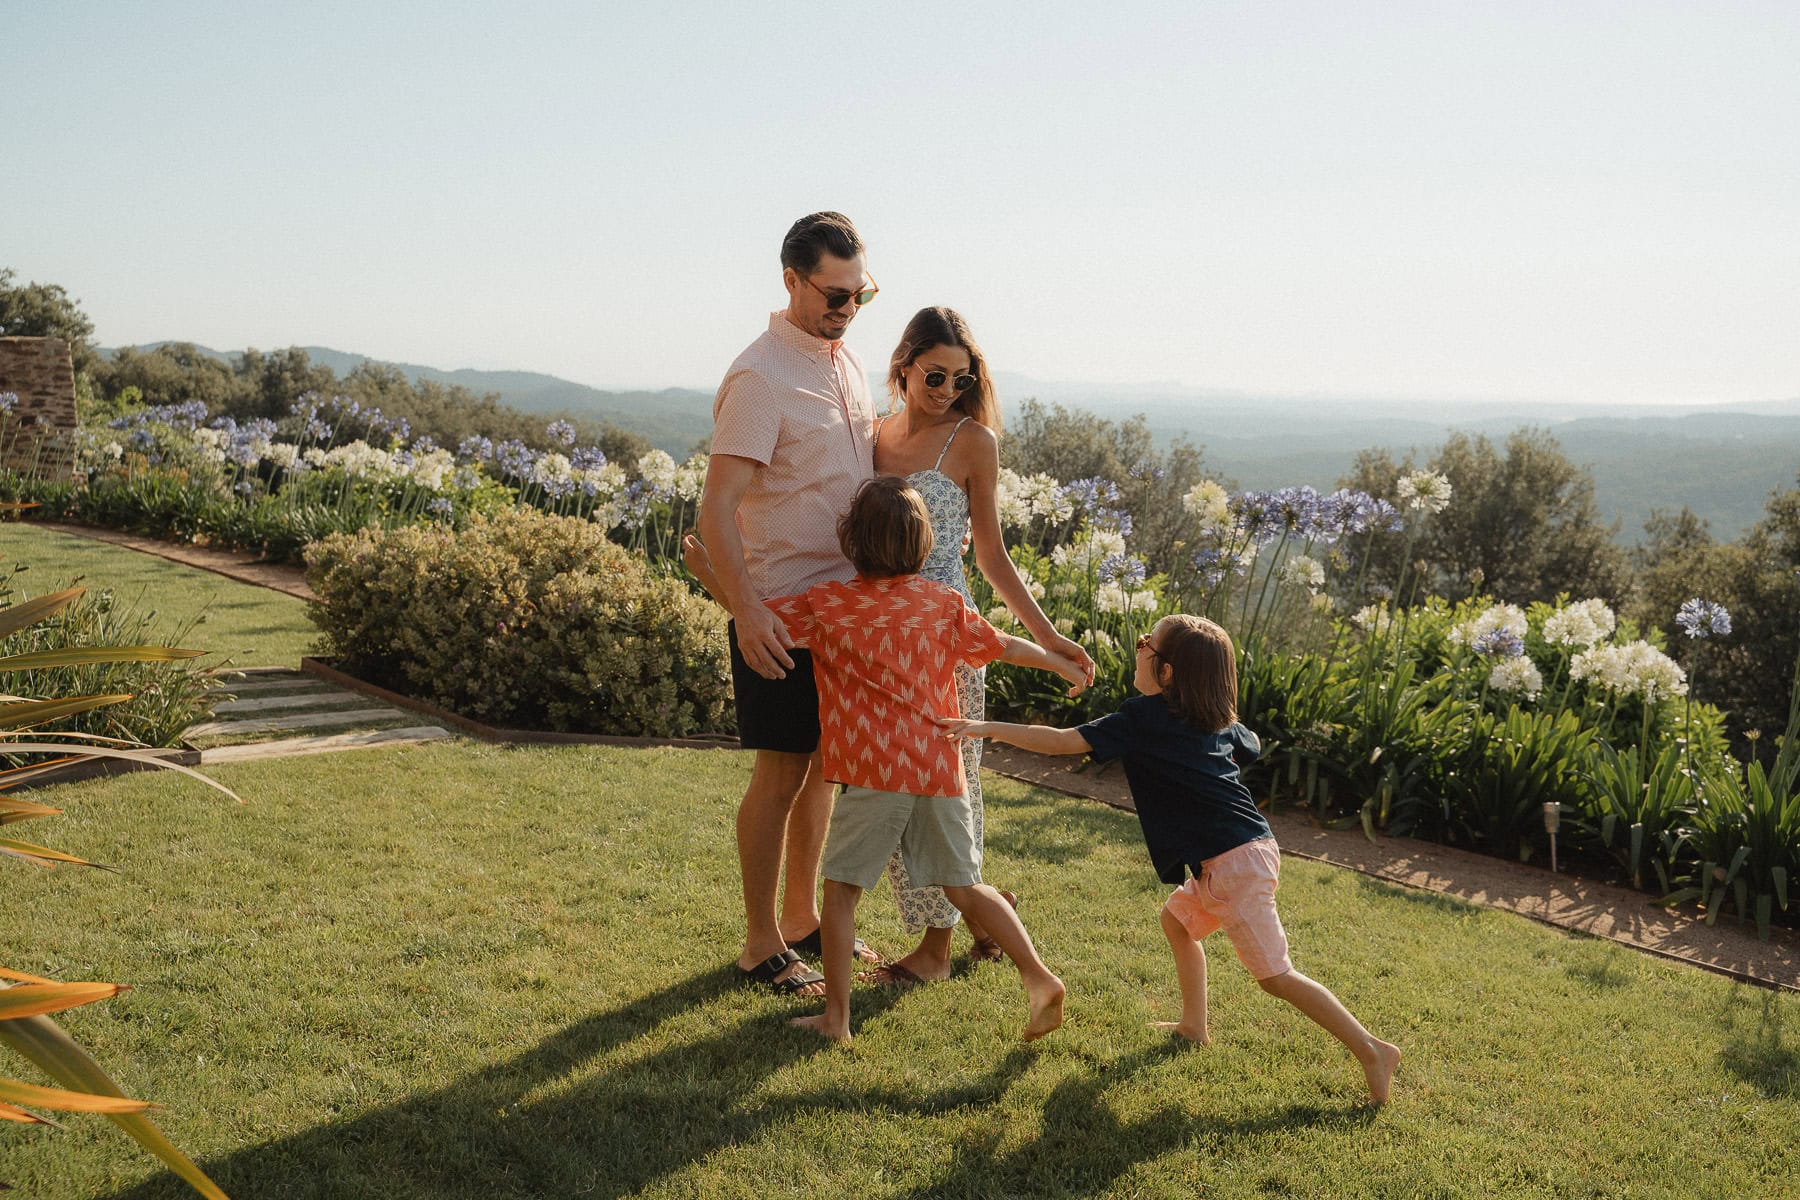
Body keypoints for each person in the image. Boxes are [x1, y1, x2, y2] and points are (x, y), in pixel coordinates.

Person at [940, 615, 1402, 1103]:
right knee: (1178, 921)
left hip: (1234, 864)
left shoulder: (1145, 717)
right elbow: (1248, 745)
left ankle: (1373, 1050)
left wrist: (985, 727)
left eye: (1147, 643)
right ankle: (1193, 1026)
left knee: (1275, 976)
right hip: (1241, 853)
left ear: (1167, 673)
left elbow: (1062, 742)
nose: (1138, 647)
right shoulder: (1215, 719)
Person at [769, 475, 1085, 1042]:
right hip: (940, 767)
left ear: (852, 540)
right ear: (923, 544)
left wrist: (714, 576)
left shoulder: (828, 604)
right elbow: (1003, 646)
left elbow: (764, 623)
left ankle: (836, 1018)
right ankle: (1039, 976)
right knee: (964, 886)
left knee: (840, 892)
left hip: (875, 771)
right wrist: (1058, 660)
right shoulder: (943, 603)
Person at [861, 307, 1097, 990]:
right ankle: (984, 909)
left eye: (961, 380)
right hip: (883, 639)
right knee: (896, 785)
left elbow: (991, 556)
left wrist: (1049, 639)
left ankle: (935, 950)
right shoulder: (872, 435)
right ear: (904, 365)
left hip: (947, 641)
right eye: (935, 375)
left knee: (947, 785)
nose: (946, 390)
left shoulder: (973, 443)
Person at [698, 211, 884, 996]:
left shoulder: (849, 362)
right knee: (779, 776)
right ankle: (759, 942)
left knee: (822, 773)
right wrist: (747, 610)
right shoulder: (760, 377)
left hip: (844, 612)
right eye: (835, 295)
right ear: (791, 281)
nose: (848, 310)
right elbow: (715, 508)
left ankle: (803, 917)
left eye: (860, 295)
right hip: (781, 615)